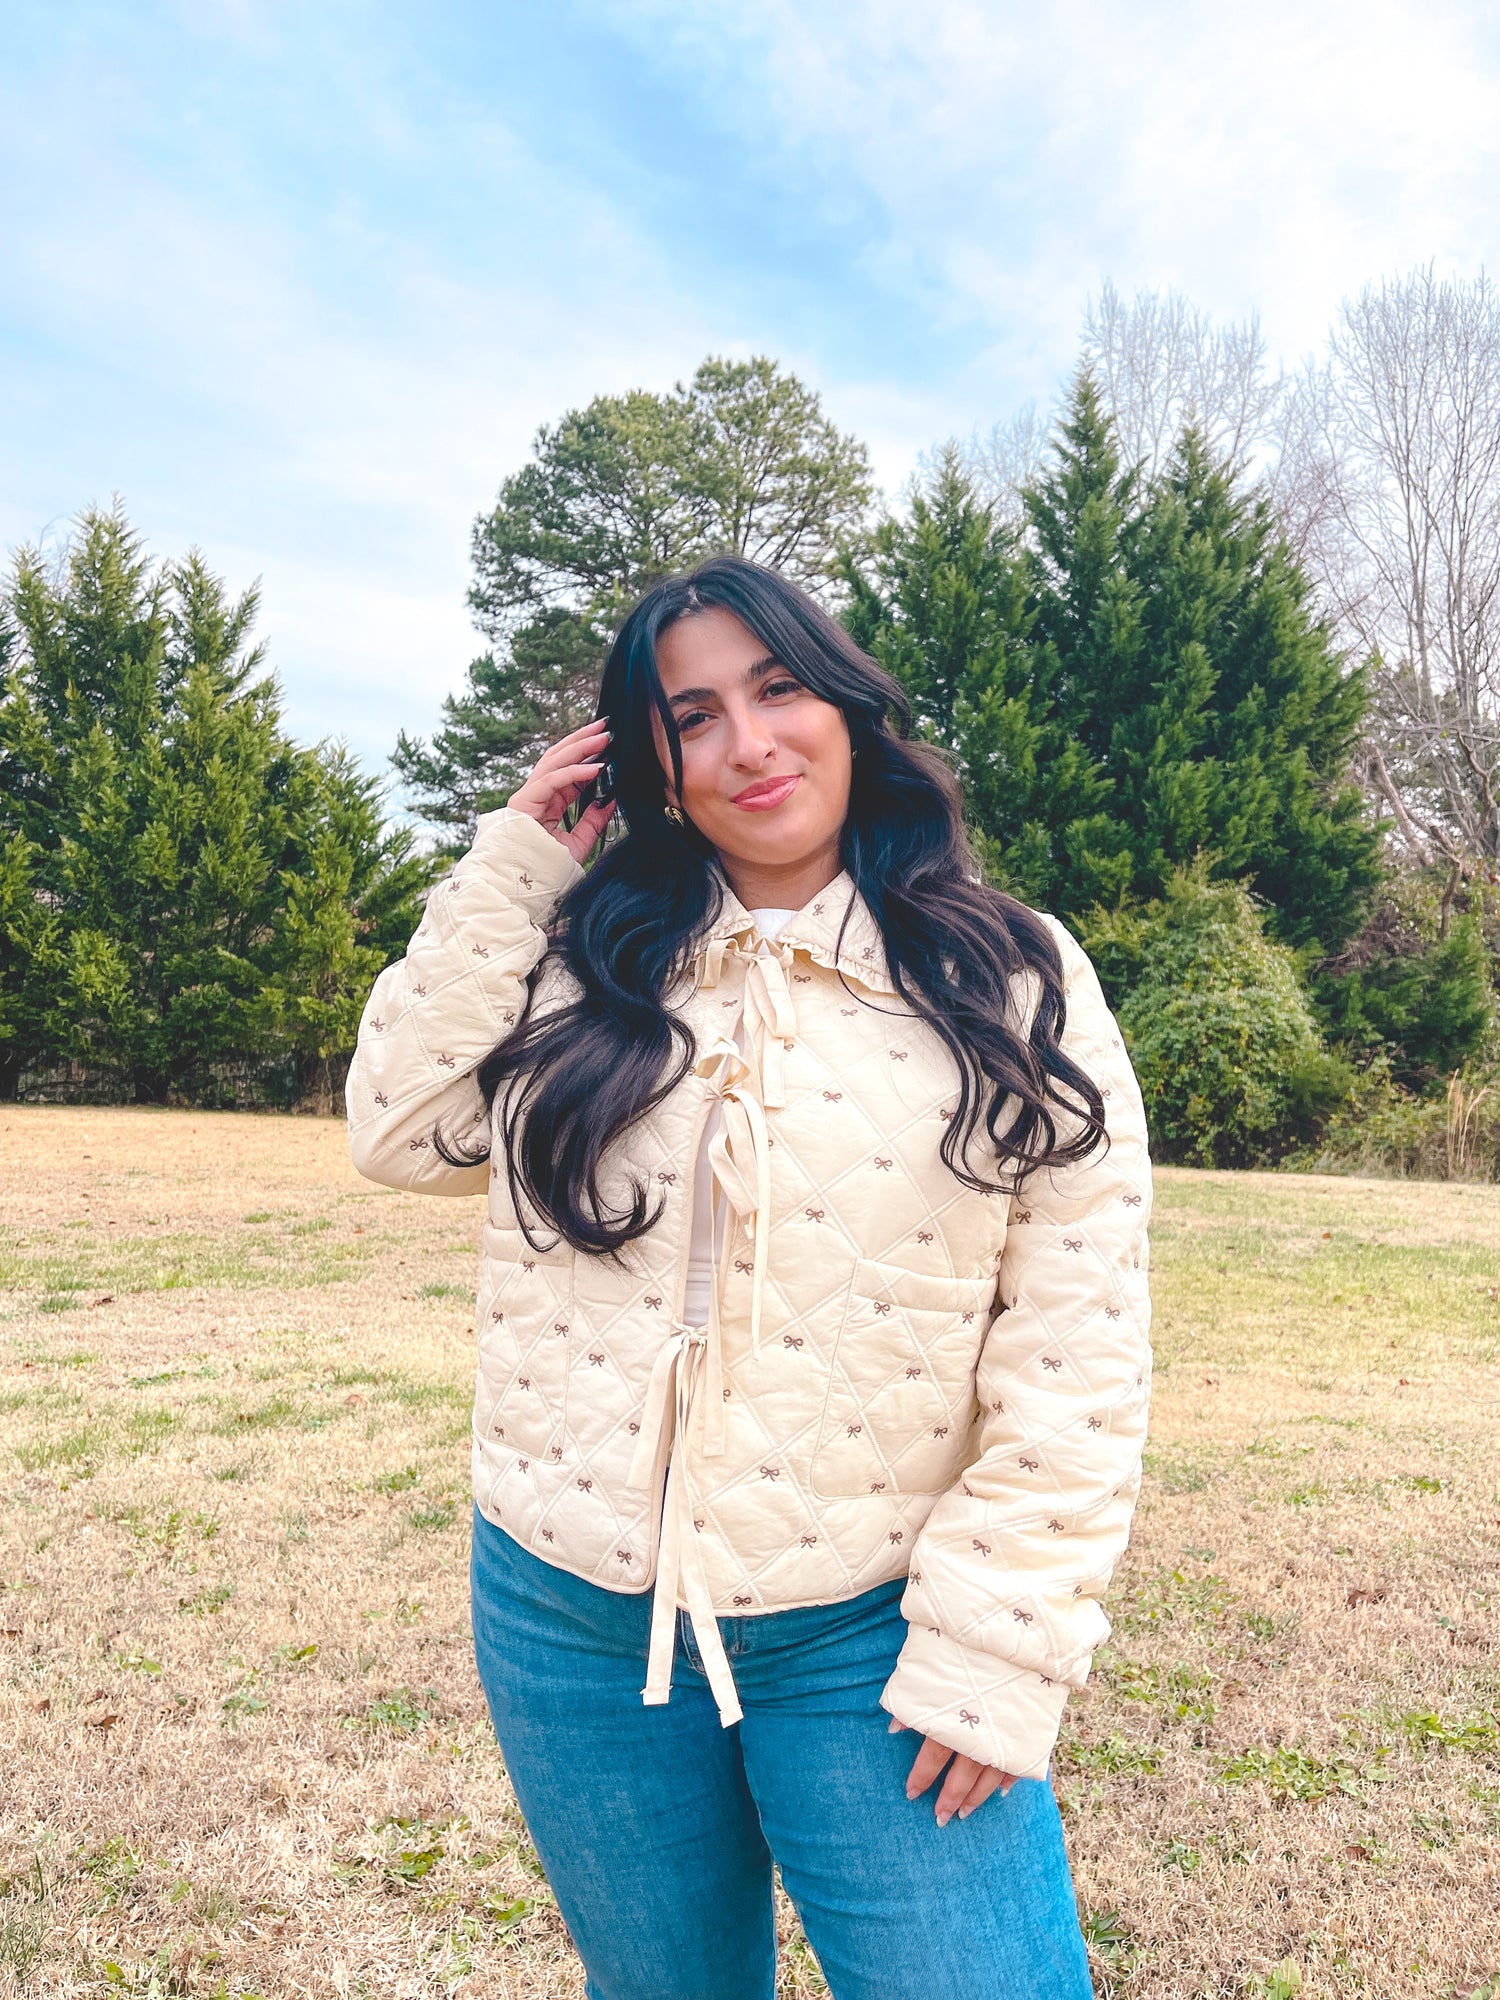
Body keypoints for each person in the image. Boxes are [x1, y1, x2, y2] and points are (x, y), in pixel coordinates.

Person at [346, 555, 1152, 2000]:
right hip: (568, 1614)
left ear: (846, 703)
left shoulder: (1014, 976)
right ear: (653, 764)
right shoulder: (582, 955)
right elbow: (401, 1131)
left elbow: (1080, 1330)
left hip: (870, 1623)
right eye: (693, 715)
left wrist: (1001, 1637)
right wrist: (517, 862)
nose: (750, 744)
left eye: (778, 690)